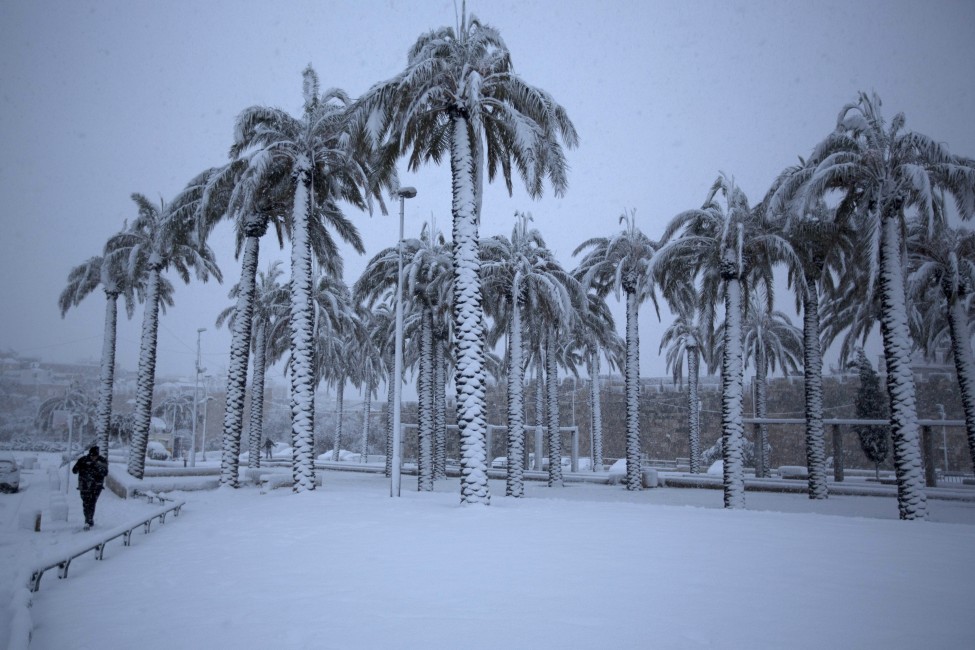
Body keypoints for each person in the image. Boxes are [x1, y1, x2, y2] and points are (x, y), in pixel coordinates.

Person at [72, 445, 108, 530]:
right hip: (84, 485)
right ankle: (88, 519)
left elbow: (105, 472)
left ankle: (88, 520)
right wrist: (80, 466)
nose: (93, 458)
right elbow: (74, 471)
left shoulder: (102, 460)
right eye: (92, 456)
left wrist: (97, 467)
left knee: (92, 503)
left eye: (95, 456)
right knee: (85, 503)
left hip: (96, 486)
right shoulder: (83, 460)